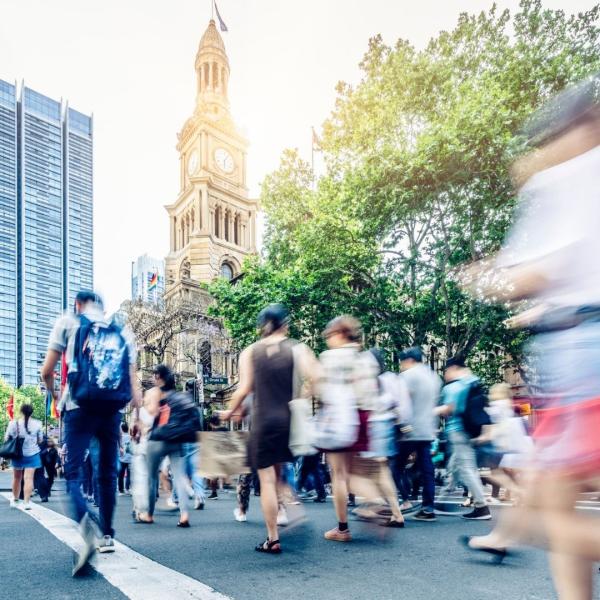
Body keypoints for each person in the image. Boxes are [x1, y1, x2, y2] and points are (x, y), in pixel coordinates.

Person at [461, 77, 600, 597]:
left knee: (551, 513)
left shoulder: (559, 179)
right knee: (557, 503)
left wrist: (483, 277)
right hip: (577, 339)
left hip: (580, 350)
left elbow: (532, 275)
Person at [41, 290, 142, 575]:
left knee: (72, 472)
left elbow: (46, 370)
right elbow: (134, 382)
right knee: (107, 473)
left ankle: (86, 521)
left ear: (77, 304)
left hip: (77, 406)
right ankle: (108, 534)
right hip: (112, 411)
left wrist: (55, 395)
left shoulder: (68, 322)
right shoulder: (121, 329)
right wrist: (135, 416)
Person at [221, 304, 319, 554]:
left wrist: (228, 413)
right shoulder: (298, 348)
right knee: (280, 472)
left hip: (263, 422)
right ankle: (291, 508)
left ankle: (273, 538)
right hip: (289, 419)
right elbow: (318, 378)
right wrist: (303, 396)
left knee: (266, 479)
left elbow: (244, 389)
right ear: (285, 324)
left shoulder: (250, 352)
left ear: (261, 327)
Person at [317, 315, 384, 542]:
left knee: (339, 474)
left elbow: (322, 390)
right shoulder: (366, 359)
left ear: (339, 334)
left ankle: (342, 529)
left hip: (340, 417)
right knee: (354, 471)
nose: (327, 340)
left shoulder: (330, 357)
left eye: (329, 335)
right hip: (364, 415)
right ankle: (376, 501)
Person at [136, 364, 199, 528]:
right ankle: (184, 514)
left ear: (159, 377)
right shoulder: (180, 396)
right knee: (179, 477)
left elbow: (154, 413)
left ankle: (148, 514)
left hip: (158, 438)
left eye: (154, 375)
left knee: (151, 478)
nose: (152, 378)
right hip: (177, 440)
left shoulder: (156, 393)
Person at [434, 358, 491, 520]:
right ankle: (443, 500)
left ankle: (482, 507)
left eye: (446, 371)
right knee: (455, 466)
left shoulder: (453, 387)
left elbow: (450, 409)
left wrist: (431, 411)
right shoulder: (472, 382)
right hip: (469, 431)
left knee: (466, 468)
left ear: (452, 368)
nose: (445, 374)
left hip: (458, 431)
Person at [394, 347, 441, 521]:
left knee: (395, 467)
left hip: (409, 430)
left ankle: (400, 502)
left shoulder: (407, 376)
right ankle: (428, 508)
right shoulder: (434, 377)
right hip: (427, 430)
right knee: (427, 470)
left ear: (408, 361)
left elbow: (401, 402)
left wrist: (401, 425)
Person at [5, 404, 43, 510]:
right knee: (29, 478)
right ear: (32, 412)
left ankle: (15, 500)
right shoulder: (38, 424)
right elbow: (40, 440)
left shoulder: (13, 423)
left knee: (17, 478)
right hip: (32, 453)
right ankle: (26, 502)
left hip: (17, 454)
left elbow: (7, 438)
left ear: (21, 412)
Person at [118, 423, 132, 495]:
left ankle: (121, 490)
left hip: (122, 458)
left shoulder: (120, 438)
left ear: (122, 429)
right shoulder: (131, 437)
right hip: (130, 458)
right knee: (129, 474)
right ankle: (127, 488)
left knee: (121, 474)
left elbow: (118, 448)